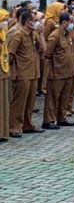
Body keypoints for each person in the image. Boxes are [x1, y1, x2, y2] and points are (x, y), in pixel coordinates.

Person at [8, 9, 43, 135]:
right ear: (28, 22)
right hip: (21, 73)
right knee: (19, 102)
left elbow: (42, 48)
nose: (38, 23)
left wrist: (41, 34)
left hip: (33, 72)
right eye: (35, 21)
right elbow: (10, 55)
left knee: (30, 102)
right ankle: (14, 126)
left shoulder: (33, 34)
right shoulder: (17, 35)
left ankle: (27, 124)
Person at [42, 10, 74, 129]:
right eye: (71, 22)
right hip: (57, 72)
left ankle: (61, 118)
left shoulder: (68, 34)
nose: (73, 24)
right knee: (52, 98)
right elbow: (47, 54)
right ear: (64, 22)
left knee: (64, 97)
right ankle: (49, 120)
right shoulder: (55, 35)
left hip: (68, 72)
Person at [0, 8, 11, 143]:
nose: (5, 23)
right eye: (2, 20)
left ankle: (2, 132)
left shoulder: (3, 34)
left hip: (3, 70)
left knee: (3, 102)